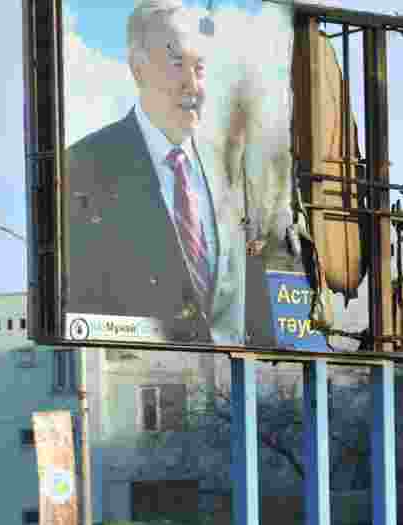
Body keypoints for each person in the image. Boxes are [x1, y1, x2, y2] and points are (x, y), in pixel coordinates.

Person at [64, 0, 270, 345]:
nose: (193, 85)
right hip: (137, 387)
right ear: (138, 69)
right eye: (177, 65)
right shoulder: (83, 168)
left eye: (199, 68)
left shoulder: (233, 169)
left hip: (233, 390)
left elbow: (253, 304)